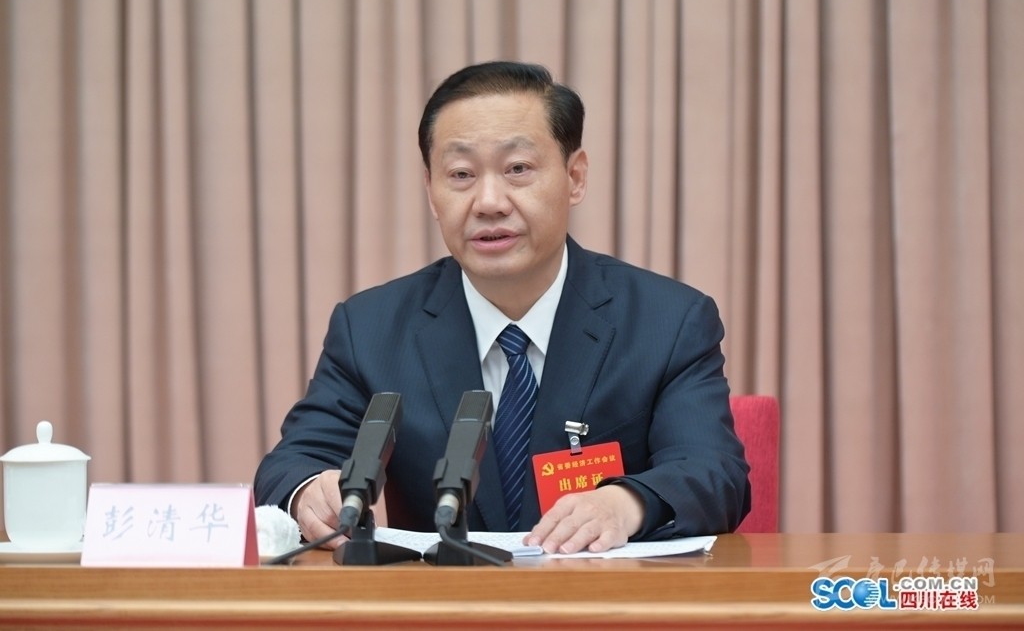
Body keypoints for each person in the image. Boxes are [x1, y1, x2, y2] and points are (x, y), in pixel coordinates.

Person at [254, 61, 750, 554]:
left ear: (575, 177)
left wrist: (626, 504)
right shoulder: (372, 329)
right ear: (431, 191)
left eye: (518, 169)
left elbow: (714, 471)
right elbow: (291, 464)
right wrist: (309, 492)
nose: (489, 202)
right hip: (440, 598)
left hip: (602, 596)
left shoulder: (667, 321)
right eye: (461, 174)